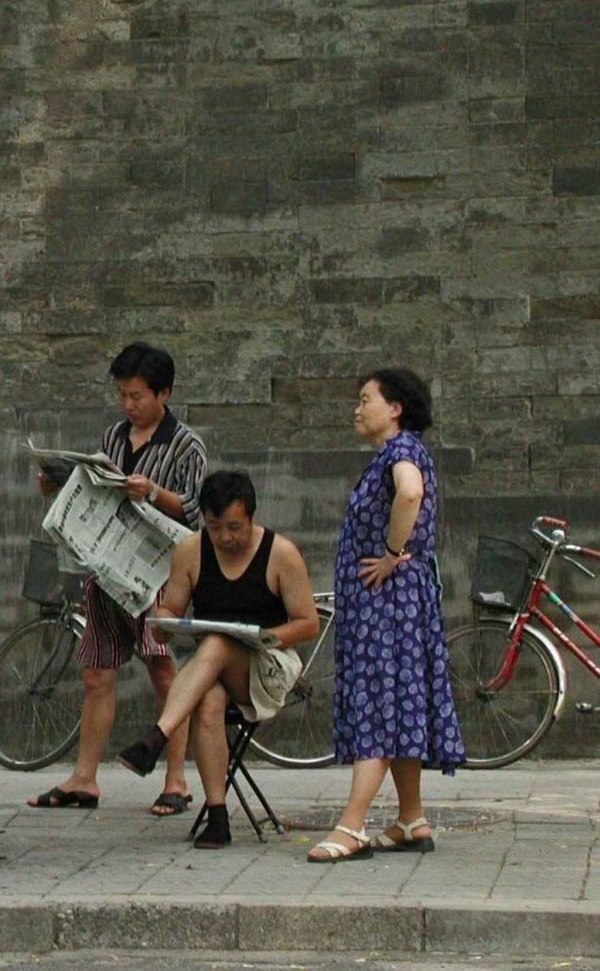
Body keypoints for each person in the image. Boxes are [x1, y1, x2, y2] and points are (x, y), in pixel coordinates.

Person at [28, 342, 208, 818]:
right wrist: (58, 483)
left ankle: (176, 779)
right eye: (123, 395)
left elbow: (195, 510)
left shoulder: (186, 444)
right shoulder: (114, 436)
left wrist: (153, 492)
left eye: (138, 396)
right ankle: (85, 778)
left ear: (163, 394)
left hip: (158, 574)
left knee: (163, 671)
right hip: (108, 570)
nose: (129, 405)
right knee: (97, 674)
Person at [307, 368, 466, 863]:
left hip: (388, 604)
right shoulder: (400, 452)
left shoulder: (401, 452)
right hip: (394, 601)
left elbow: (410, 492)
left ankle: (352, 826)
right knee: (398, 703)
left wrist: (392, 554)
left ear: (395, 409)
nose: (357, 409)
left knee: (376, 705)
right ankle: (411, 818)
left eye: (365, 399)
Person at [115, 471, 320, 848]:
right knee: (208, 700)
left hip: (267, 665)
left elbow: (308, 623)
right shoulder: (191, 551)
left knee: (218, 644)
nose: (225, 537)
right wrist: (163, 624)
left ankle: (158, 736)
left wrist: (262, 637)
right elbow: (171, 610)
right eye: (214, 527)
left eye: (234, 527)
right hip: (211, 673)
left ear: (252, 517)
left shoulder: (280, 554)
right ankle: (218, 815)